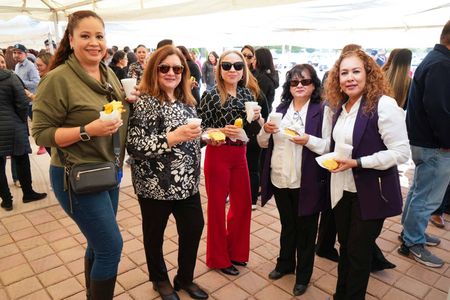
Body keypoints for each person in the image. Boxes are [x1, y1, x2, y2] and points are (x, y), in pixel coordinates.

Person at [32, 10, 130, 299]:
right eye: (85, 36)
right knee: (111, 248)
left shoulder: (107, 72)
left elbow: (112, 111)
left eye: (99, 36)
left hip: (107, 170)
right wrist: (87, 130)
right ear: (71, 40)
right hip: (74, 176)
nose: (94, 42)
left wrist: (128, 101)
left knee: (97, 244)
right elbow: (41, 134)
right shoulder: (57, 79)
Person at [324, 49, 409, 299]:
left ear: (368, 74)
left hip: (370, 194)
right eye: (344, 73)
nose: (349, 78)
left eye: (356, 71)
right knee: (346, 249)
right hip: (342, 191)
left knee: (358, 256)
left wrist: (358, 163)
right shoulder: (341, 106)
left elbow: (401, 153)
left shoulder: (384, 104)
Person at [127, 45, 208, 300]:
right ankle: (160, 280)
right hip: (154, 185)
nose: (171, 73)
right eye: (165, 68)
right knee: (154, 235)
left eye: (177, 68)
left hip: (187, 184)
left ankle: (184, 278)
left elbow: (188, 140)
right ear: (154, 70)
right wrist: (172, 137)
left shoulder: (187, 101)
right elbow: (135, 146)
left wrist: (206, 139)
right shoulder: (146, 102)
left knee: (194, 228)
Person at [258, 64, 331, 296]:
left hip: (306, 181)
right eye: (294, 82)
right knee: (288, 225)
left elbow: (329, 146)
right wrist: (265, 131)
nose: (299, 86)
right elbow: (261, 142)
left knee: (307, 231)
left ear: (314, 85)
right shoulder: (280, 109)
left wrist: (308, 139)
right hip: (280, 178)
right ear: (288, 86)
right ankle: (285, 263)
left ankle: (303, 275)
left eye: (305, 82)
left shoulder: (323, 110)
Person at [198, 50, 262, 276]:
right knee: (216, 208)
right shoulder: (212, 95)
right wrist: (218, 131)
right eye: (226, 66)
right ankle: (217, 258)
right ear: (219, 69)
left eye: (237, 65)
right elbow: (199, 130)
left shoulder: (247, 94)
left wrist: (259, 119)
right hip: (218, 154)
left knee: (243, 204)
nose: (232, 70)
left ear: (244, 69)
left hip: (241, 153)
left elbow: (254, 128)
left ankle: (236, 252)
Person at [399, 20, 450, 268]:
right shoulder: (442, 64)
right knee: (427, 196)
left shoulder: (434, 59)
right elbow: (438, 109)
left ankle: (409, 233)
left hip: (425, 141)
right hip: (435, 143)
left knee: (420, 190)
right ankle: (412, 241)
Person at [0, 53, 47, 211]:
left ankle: (6, 200)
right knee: (21, 159)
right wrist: (20, 120)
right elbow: (22, 101)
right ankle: (28, 193)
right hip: (13, 125)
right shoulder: (11, 77)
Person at [12, 43, 40, 121]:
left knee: (37, 123)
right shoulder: (17, 65)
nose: (16, 55)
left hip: (32, 102)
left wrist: (19, 82)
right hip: (24, 102)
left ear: (26, 54)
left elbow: (36, 82)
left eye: (19, 53)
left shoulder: (30, 66)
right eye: (14, 53)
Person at [253, 47, 279, 112]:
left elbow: (259, 100)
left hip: (258, 114)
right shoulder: (270, 75)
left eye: (255, 59)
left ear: (261, 61)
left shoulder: (263, 79)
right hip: (265, 111)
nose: (252, 61)